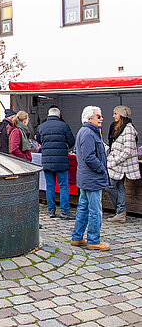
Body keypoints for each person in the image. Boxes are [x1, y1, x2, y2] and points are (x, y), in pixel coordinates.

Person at [71, 106, 110, 251]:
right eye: (98, 116)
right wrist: (101, 168)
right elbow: (89, 157)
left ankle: (77, 237)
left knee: (84, 208)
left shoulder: (87, 132)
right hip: (92, 178)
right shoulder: (88, 133)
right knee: (95, 210)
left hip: (87, 178)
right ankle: (93, 240)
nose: (101, 119)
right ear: (89, 118)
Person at [36, 107, 75, 219]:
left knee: (50, 186)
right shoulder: (64, 126)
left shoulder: (41, 126)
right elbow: (71, 141)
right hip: (61, 161)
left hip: (47, 161)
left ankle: (51, 210)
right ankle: (64, 211)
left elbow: (38, 140)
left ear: (48, 115)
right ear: (59, 115)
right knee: (63, 186)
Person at [106, 105, 140, 223]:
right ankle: (120, 213)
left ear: (121, 115)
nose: (113, 116)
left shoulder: (128, 129)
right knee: (119, 187)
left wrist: (115, 160)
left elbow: (128, 150)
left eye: (115, 113)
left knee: (111, 186)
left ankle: (120, 211)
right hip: (117, 165)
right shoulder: (119, 128)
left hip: (120, 165)